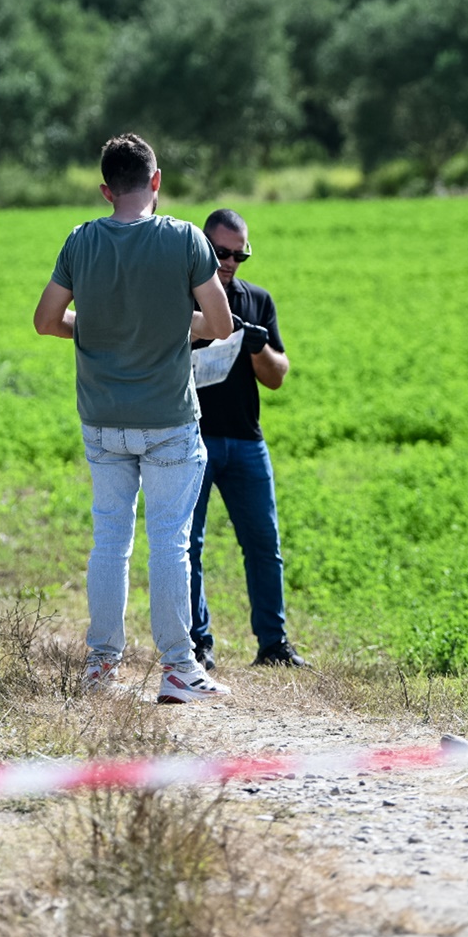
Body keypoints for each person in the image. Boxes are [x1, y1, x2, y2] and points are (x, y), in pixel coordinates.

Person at [33, 133, 234, 704]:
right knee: (169, 544)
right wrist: (176, 326)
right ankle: (177, 669)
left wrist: (94, 330)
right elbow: (219, 325)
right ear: (156, 181)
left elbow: (47, 321)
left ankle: (102, 666)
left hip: (102, 419)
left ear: (104, 189)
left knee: (109, 540)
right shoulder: (184, 239)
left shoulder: (81, 241)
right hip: (169, 417)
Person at [186, 208, 307, 671]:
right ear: (202, 246)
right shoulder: (180, 298)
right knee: (188, 546)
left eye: (240, 254)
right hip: (190, 439)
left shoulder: (257, 300)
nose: (231, 262)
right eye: (222, 253)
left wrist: (259, 347)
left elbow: (277, 377)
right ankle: (198, 645)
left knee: (263, 544)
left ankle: (273, 645)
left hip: (245, 440)